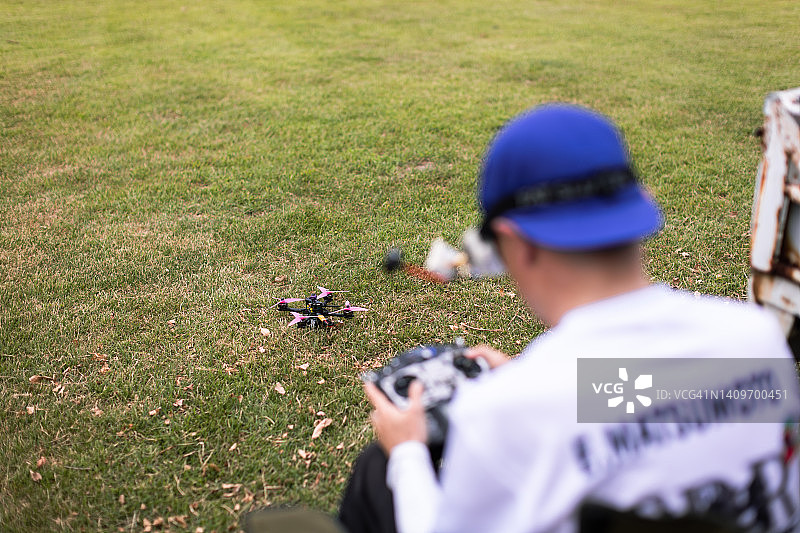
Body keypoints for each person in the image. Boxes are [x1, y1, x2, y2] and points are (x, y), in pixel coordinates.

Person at [337, 104, 800, 533]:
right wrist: (538, 379)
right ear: (640, 204)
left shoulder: (501, 414)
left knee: (378, 470)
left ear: (515, 243)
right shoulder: (755, 337)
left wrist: (408, 452)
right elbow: (672, 394)